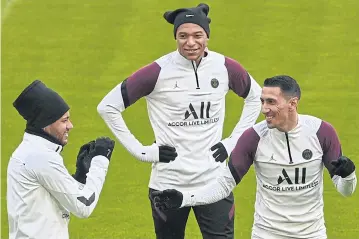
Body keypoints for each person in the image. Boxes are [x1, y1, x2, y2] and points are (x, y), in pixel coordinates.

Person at [97, 3, 262, 239]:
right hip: (168, 183)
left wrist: (232, 142)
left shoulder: (225, 67)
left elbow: (256, 99)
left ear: (207, 36)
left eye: (197, 35)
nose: (191, 43)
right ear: (175, 37)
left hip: (214, 182)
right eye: (182, 36)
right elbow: (108, 107)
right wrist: (142, 152)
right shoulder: (157, 71)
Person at [152, 75, 357, 239]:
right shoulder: (253, 137)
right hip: (266, 233)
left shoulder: (321, 132)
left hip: (312, 234)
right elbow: (224, 185)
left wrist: (349, 175)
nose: (264, 109)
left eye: (271, 102)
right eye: (262, 101)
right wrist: (184, 199)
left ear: (292, 103)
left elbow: (345, 191)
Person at [7, 80, 116, 239]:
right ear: (45, 124)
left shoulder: (30, 151)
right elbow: (83, 206)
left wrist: (80, 177)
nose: (70, 126)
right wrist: (100, 160)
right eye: (64, 120)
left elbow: (57, 197)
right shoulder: (41, 157)